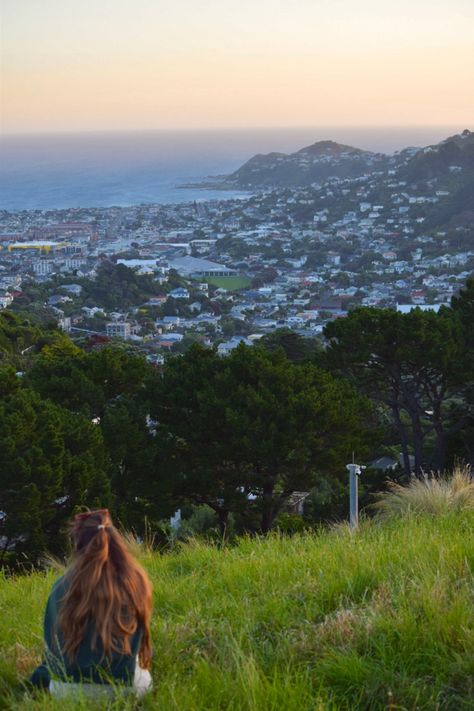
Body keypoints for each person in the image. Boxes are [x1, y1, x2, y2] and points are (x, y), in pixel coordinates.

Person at [30, 509, 153, 699]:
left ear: (78, 544)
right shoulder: (136, 581)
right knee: (142, 672)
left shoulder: (62, 586)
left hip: (67, 690)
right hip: (125, 690)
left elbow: (52, 651)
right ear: (116, 540)